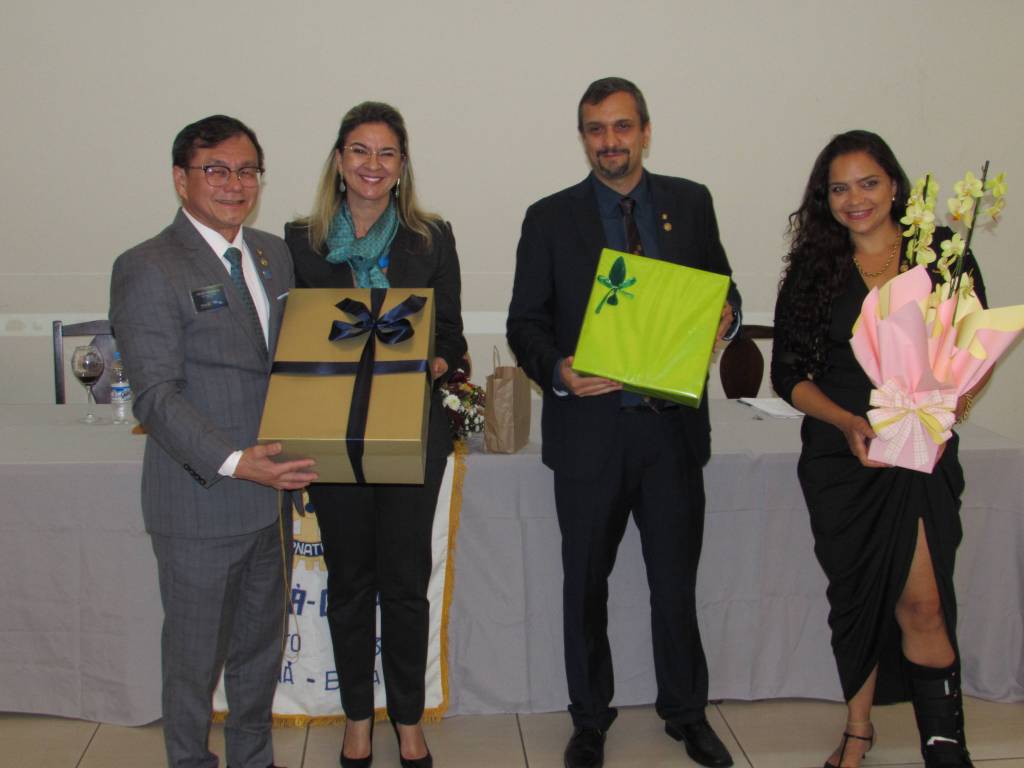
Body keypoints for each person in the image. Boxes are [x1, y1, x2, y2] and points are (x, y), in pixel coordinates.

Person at [506, 77, 741, 768]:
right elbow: (525, 322)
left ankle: (686, 714)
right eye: (595, 129)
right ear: (583, 137)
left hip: (670, 435)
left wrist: (726, 315)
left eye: (621, 126)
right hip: (589, 434)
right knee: (585, 587)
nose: (609, 141)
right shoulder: (549, 218)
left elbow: (723, 286)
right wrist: (559, 370)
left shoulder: (690, 203)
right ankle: (589, 720)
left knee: (675, 586)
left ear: (645, 130)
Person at [770, 130, 989, 768]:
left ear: (895, 184)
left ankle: (946, 745)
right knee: (857, 599)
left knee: (924, 600)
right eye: (839, 188)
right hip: (843, 456)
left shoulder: (941, 253)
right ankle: (858, 729)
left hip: (920, 454)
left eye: (868, 183)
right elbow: (789, 374)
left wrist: (946, 406)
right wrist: (846, 422)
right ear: (825, 198)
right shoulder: (814, 266)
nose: (855, 199)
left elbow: (973, 349)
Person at [109, 115, 317, 768]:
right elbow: (155, 395)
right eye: (216, 170)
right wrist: (234, 462)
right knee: (194, 663)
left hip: (271, 501)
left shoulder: (271, 254)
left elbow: (288, 365)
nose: (235, 183)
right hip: (200, 501)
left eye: (247, 170)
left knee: (259, 656)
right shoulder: (148, 266)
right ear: (181, 179)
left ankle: (254, 759)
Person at [285, 101, 466, 768]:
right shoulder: (299, 242)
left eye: (386, 152)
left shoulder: (431, 238)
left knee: (406, 582)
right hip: (332, 436)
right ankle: (358, 720)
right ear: (339, 161)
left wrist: (428, 361)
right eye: (360, 150)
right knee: (352, 583)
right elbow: (289, 339)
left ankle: (408, 721)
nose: (373, 164)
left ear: (401, 165)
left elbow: (450, 336)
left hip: (410, 431)